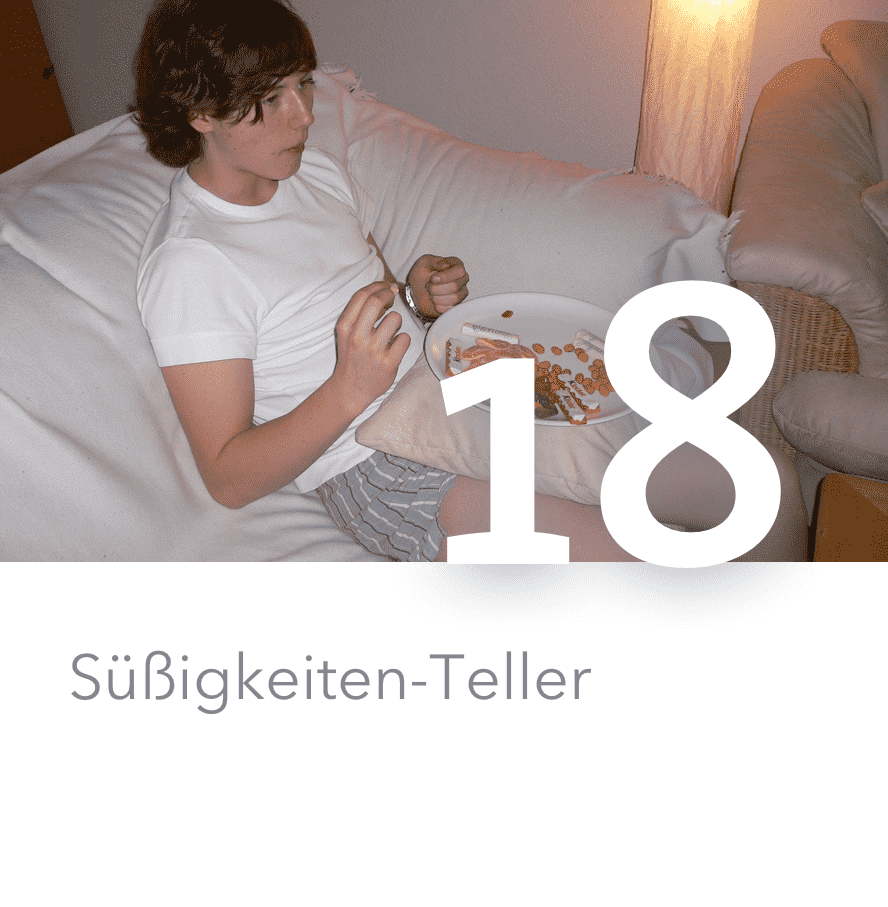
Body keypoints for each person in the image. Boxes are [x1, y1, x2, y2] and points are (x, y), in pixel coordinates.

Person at [132, 0, 799, 561]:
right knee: (649, 567)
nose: (303, 115)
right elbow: (228, 477)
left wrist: (416, 298)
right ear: (201, 112)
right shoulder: (192, 263)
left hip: (456, 387)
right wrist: (348, 389)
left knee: (760, 489)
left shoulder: (313, 172)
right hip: (373, 462)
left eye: (302, 84)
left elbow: (373, 292)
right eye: (267, 100)